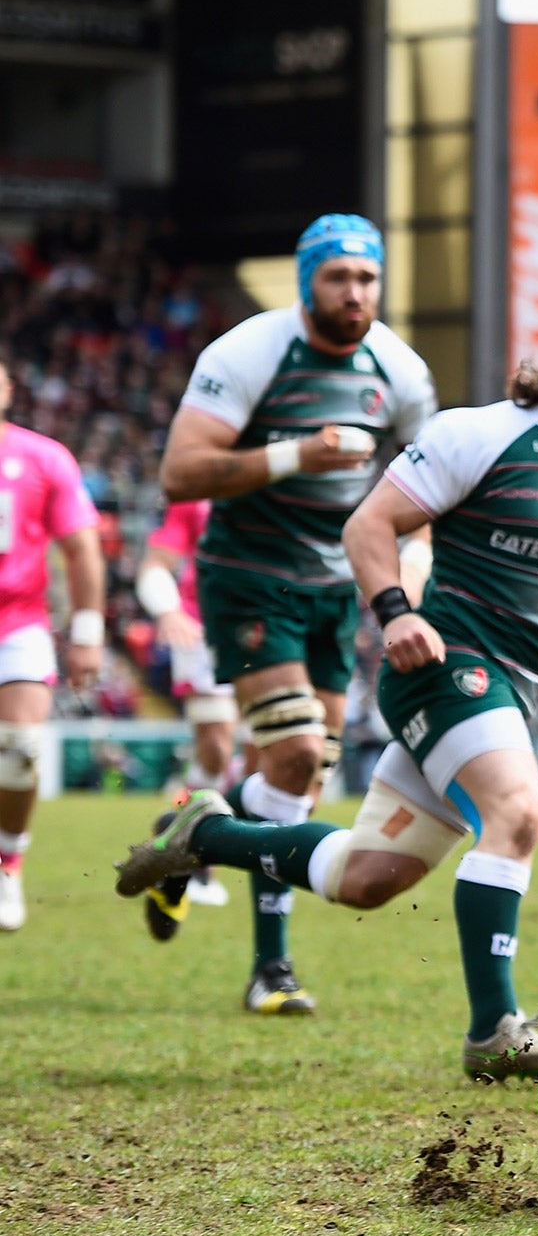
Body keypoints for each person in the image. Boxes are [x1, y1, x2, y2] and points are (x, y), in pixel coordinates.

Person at [119, 301, 538, 1080]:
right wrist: (395, 612)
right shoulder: (479, 436)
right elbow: (369, 527)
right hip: (444, 667)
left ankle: (203, 836)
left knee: (366, 878)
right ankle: (493, 1028)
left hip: (515, 688)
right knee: (519, 810)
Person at [148, 214, 436, 1014]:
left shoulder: (401, 372)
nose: (355, 293)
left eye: (368, 279)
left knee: (301, 781)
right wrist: (294, 454)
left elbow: (428, 488)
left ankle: (188, 837)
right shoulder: (249, 352)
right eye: (339, 277)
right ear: (308, 279)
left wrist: (408, 571)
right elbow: (178, 473)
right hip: (248, 576)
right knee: (298, 755)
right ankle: (270, 971)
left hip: (333, 589)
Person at [0, 363, 105, 932]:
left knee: (19, 747)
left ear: (8, 388)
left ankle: (7, 862)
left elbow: (83, 549)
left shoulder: (44, 458)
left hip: (16, 623)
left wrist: (86, 632)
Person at [133, 499, 236, 935]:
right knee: (216, 749)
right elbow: (158, 561)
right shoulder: (197, 496)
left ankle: (178, 822)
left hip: (272, 624)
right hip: (201, 626)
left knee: (263, 757)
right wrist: (168, 609)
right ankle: (196, 850)